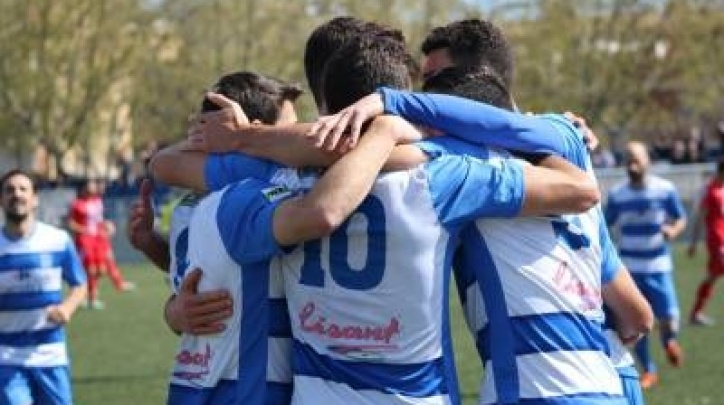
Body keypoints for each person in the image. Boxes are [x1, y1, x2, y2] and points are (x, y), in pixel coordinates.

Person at [166, 32, 605, 404]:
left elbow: (165, 166)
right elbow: (580, 191)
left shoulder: (273, 179)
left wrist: (246, 138)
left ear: (325, 106)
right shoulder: (443, 173)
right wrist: (555, 132)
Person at [410, 20, 650, 403]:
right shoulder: (569, 144)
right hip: (608, 383)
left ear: (473, 80)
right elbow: (638, 317)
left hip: (531, 392)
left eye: (434, 80)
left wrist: (387, 113)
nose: (426, 96)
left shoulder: (458, 162)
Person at [0, 169, 87, 405]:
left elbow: (80, 284)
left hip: (51, 356)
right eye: (9, 190)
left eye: (22, 189)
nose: (16, 195)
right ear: (1, 200)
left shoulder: (58, 240)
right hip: (6, 358)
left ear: (35, 198)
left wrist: (67, 308)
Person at [605, 141, 687, 389]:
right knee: (635, 323)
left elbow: (680, 217)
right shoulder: (617, 195)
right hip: (629, 268)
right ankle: (648, 370)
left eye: (636, 160)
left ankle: (669, 342)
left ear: (647, 161)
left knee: (669, 317)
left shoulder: (665, 189)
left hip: (658, 265)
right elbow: (605, 226)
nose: (632, 165)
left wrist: (673, 230)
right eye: (628, 160)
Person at [68, 177, 134, 309]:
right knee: (90, 270)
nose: (94, 186)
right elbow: (71, 224)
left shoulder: (98, 201)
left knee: (102, 270)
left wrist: (107, 226)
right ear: (84, 188)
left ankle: (90, 293)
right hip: (85, 240)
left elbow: (99, 220)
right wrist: (83, 229)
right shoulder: (77, 204)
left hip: (99, 239)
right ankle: (89, 297)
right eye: (91, 184)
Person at [687, 159, 724, 326]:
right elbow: (700, 217)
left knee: (712, 276)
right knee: (712, 276)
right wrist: (694, 242)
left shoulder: (721, 189)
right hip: (717, 241)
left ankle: (696, 313)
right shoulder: (710, 191)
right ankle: (696, 313)